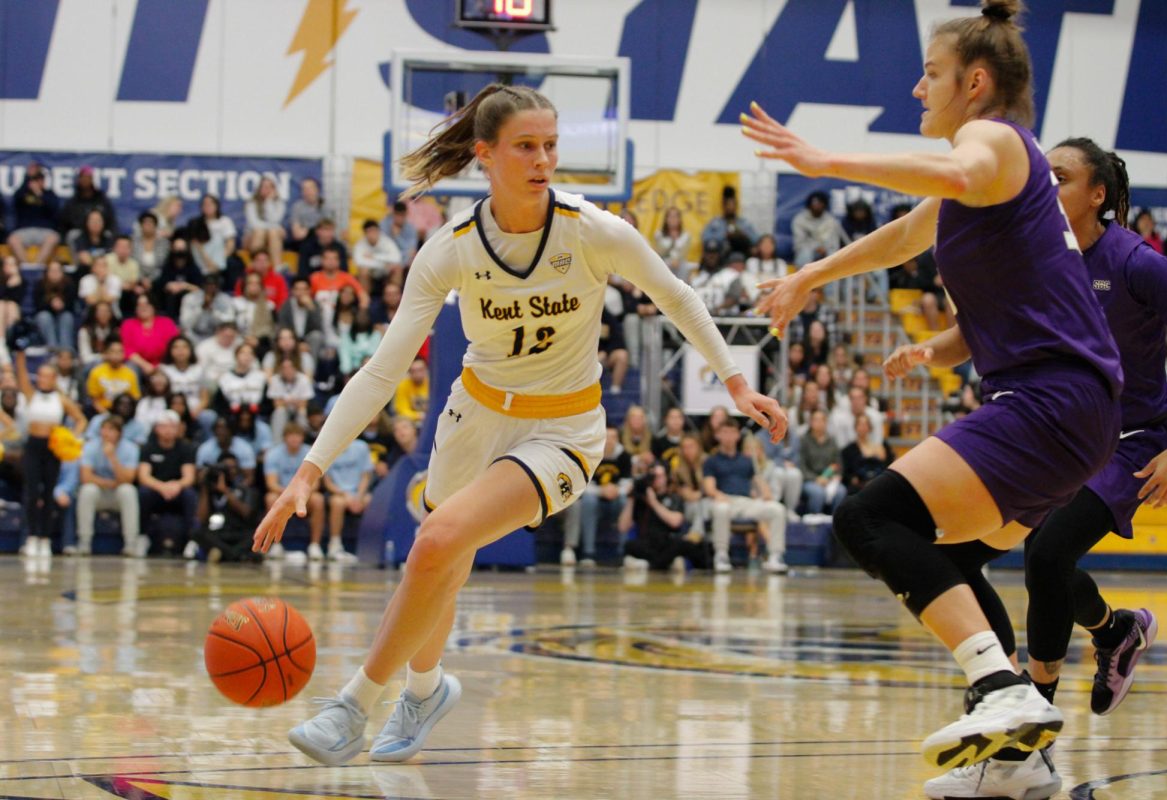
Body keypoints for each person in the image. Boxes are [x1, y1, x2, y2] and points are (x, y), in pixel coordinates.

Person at [254, 82, 785, 767]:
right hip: (473, 416)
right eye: (526, 147)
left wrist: (735, 379)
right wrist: (309, 469)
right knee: (439, 560)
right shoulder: (452, 248)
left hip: (561, 431)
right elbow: (383, 371)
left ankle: (354, 705)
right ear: (486, 155)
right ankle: (424, 688)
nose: (543, 160)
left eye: (551, 146)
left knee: (438, 539)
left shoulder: (592, 229)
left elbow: (676, 297)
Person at [745, 0, 1120, 769]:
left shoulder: (992, 141)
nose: (918, 89)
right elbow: (909, 234)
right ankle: (1016, 758)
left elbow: (956, 169)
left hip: (1052, 400)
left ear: (974, 82)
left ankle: (1001, 689)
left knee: (869, 519)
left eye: (930, 74)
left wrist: (824, 162)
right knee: (944, 554)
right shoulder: (987, 175)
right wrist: (813, 273)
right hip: (1067, 408)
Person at [917, 139, 1167, 799]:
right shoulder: (1033, 254)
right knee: (962, 554)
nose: (1045, 186)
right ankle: (1113, 629)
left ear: (1098, 194)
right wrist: (929, 349)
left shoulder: (1139, 264)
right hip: (1054, 431)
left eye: (1061, 177)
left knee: (1045, 557)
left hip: (1131, 439)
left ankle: (1027, 749)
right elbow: (976, 331)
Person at [14, 350, 87, 557]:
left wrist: (71, 437)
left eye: (48, 375)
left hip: (53, 447)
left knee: (48, 492)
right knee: (31, 492)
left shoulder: (61, 399)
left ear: (55, 378)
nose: (43, 379)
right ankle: (31, 537)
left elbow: (81, 419)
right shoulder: (31, 394)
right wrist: (20, 356)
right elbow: (21, 377)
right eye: (41, 375)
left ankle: (45, 539)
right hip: (33, 446)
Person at [703, 419, 788, 574]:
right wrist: (719, 495)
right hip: (723, 500)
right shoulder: (711, 461)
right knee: (721, 509)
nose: (728, 437)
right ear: (718, 436)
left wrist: (766, 494)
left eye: (732, 433)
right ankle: (721, 555)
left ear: (737, 436)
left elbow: (758, 480)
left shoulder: (747, 460)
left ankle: (775, 556)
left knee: (777, 509)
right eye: (725, 433)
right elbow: (709, 487)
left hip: (745, 502)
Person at [560, 425, 631, 568]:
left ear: (618, 439)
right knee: (588, 500)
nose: (610, 441)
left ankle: (624, 552)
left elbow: (629, 483)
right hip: (595, 498)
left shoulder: (624, 456)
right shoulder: (591, 454)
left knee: (626, 501)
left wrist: (616, 490)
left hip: (616, 499)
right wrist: (601, 491)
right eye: (607, 437)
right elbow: (584, 484)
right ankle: (588, 553)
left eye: (613, 437)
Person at [619, 460, 708, 572]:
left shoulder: (673, 497)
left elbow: (676, 522)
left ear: (667, 477)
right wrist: (631, 498)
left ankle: (650, 565)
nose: (656, 480)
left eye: (660, 476)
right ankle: (665, 564)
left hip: (667, 542)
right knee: (629, 545)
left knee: (685, 545)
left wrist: (654, 502)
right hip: (647, 543)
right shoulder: (640, 498)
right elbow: (623, 527)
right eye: (653, 476)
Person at [76, 415, 140, 556]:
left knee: (128, 491)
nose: (106, 433)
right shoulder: (91, 446)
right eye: (103, 429)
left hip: (118, 494)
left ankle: (130, 543)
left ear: (119, 433)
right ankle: (84, 541)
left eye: (111, 430)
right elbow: (85, 477)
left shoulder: (130, 448)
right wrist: (109, 483)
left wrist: (112, 458)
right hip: (100, 492)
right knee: (87, 490)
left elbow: (129, 479)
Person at [137, 410, 197, 557]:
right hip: (156, 490)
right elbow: (144, 476)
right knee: (143, 493)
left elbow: (189, 477)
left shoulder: (185, 448)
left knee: (190, 494)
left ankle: (192, 540)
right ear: (156, 428)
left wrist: (177, 485)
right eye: (164, 426)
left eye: (172, 426)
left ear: (178, 429)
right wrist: (161, 487)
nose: (168, 430)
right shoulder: (148, 448)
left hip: (177, 490)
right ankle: (142, 536)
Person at [264, 423, 327, 560]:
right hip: (282, 493)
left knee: (318, 499)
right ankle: (276, 545)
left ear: (302, 438)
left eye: (297, 436)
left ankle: (315, 546)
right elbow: (271, 483)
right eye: (291, 436)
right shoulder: (274, 454)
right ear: (285, 438)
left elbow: (315, 484)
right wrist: (289, 493)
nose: (294, 439)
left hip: (305, 496)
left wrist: (300, 494)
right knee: (270, 497)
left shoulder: (311, 453)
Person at [194, 451, 263, 563]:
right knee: (198, 532)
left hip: (239, 532)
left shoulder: (245, 489)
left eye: (233, 467)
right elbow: (201, 518)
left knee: (257, 534)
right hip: (218, 533)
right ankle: (239, 556)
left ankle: (224, 555)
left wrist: (225, 490)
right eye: (226, 468)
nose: (230, 471)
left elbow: (246, 513)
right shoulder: (208, 490)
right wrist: (204, 488)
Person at [7, 163, 61, 267]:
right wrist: (27, 178)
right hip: (24, 230)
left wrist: (40, 194)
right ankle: (26, 266)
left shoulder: (49, 194)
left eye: (40, 179)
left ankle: (37, 266)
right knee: (12, 239)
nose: (37, 182)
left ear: (44, 181)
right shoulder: (23, 193)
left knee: (53, 238)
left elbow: (54, 209)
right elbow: (16, 199)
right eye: (34, 179)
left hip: (44, 230)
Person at [798, 409, 845, 514]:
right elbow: (801, 466)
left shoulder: (832, 441)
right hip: (810, 480)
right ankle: (815, 524)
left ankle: (836, 523)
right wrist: (816, 479)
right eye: (816, 420)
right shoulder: (804, 441)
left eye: (821, 420)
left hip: (829, 479)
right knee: (817, 493)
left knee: (840, 491)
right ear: (810, 422)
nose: (819, 423)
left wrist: (835, 476)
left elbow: (838, 464)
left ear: (826, 422)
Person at [33, 260, 77, 353]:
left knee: (67, 317)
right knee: (44, 316)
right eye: (52, 270)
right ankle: (52, 347)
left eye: (57, 270)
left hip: (64, 313)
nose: (55, 273)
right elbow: (37, 306)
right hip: (46, 314)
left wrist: (62, 305)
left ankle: (66, 349)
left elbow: (72, 305)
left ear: (62, 272)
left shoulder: (69, 285)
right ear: (47, 272)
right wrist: (51, 304)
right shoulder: (40, 285)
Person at [86, 339, 141, 413]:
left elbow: (135, 398)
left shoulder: (130, 373)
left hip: (124, 413)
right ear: (106, 353)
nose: (116, 354)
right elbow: (94, 400)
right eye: (112, 351)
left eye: (119, 351)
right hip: (102, 411)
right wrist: (106, 414)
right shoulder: (96, 372)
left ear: (124, 354)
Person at [352, 218, 404, 296]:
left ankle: (396, 300)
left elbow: (397, 258)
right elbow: (359, 262)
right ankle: (366, 301)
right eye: (369, 231)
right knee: (363, 271)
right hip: (371, 273)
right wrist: (383, 264)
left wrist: (374, 256)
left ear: (379, 231)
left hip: (386, 273)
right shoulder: (360, 245)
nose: (372, 234)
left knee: (397, 268)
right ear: (365, 233)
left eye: (374, 231)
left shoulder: (386, 241)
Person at [243, 175, 286, 267]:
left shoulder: (279, 203)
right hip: (251, 236)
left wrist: (269, 201)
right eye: (264, 186)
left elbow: (275, 220)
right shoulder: (251, 203)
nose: (267, 189)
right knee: (260, 232)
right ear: (259, 188)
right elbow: (254, 224)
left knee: (273, 232)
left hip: (272, 236)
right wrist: (276, 227)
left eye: (270, 187)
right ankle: (255, 266)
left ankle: (277, 267)